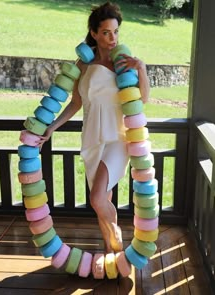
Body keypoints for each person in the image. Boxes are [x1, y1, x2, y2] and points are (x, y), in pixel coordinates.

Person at [37, 2, 150, 253]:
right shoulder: (82, 65)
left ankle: (116, 239)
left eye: (116, 32)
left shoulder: (124, 64)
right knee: (103, 201)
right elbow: (76, 103)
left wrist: (141, 69)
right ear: (94, 33)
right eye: (107, 32)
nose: (112, 38)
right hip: (91, 139)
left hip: (116, 139)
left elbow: (142, 99)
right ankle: (112, 254)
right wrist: (53, 126)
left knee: (97, 198)